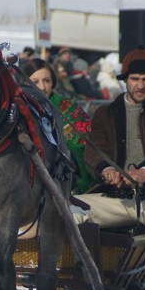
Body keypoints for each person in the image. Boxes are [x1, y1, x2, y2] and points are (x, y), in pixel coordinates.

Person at [73, 48, 145, 290]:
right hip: (115, 198)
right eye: (135, 79)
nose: (140, 85)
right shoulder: (105, 113)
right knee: (69, 209)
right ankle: (79, 273)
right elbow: (94, 152)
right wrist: (106, 171)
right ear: (125, 80)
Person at [22, 57, 95, 194]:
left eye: (47, 81)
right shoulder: (18, 110)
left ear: (53, 83)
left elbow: (85, 144)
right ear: (25, 83)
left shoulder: (68, 108)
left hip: (69, 178)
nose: (42, 87)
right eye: (35, 82)